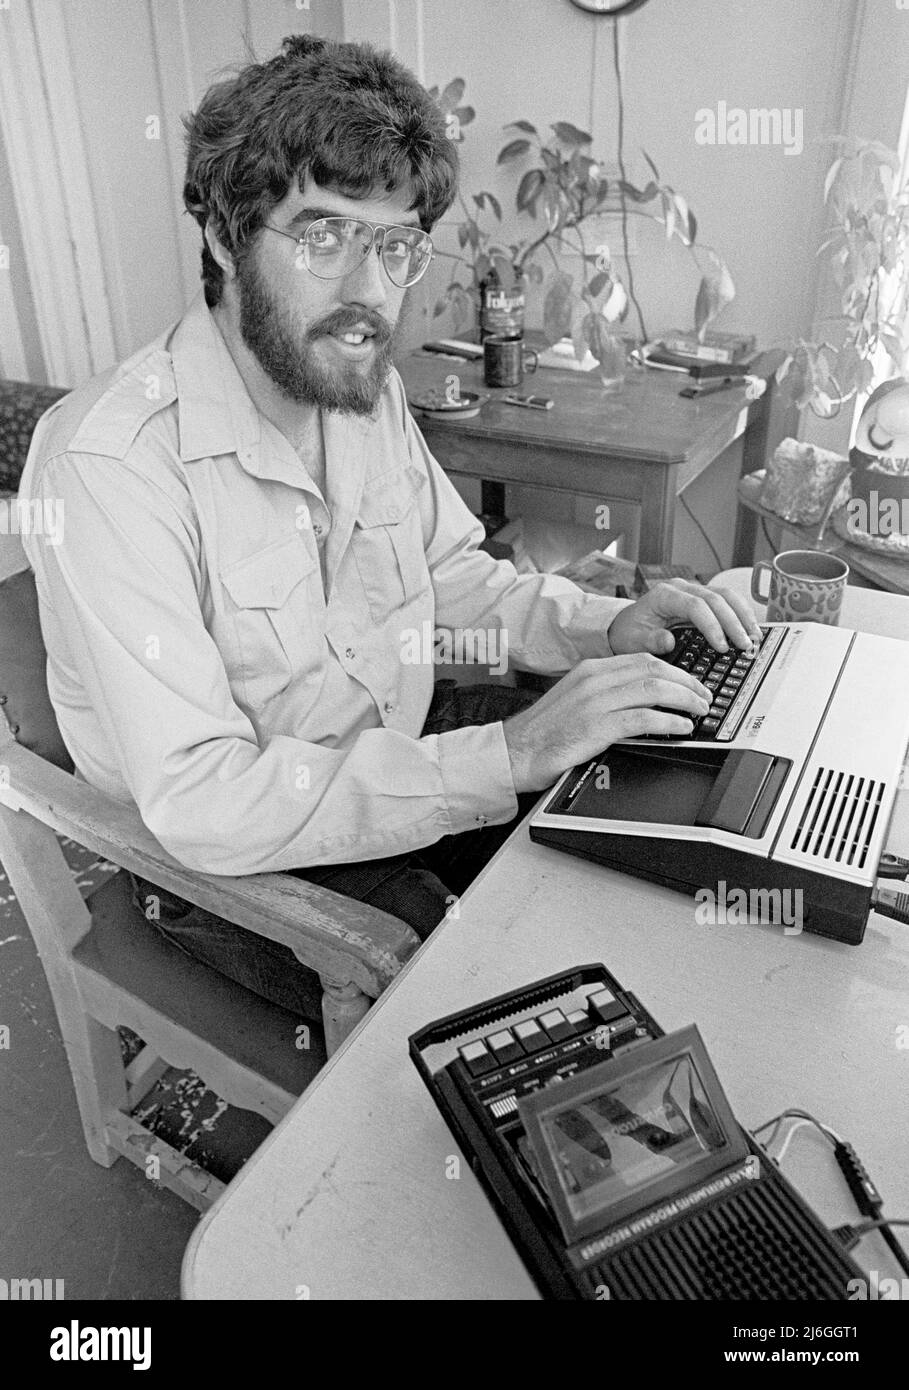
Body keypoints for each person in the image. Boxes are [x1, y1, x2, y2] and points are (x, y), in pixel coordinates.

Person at [19, 34, 760, 1022]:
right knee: (538, 1010)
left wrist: (600, 626)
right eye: (324, 237)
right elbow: (203, 803)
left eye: (397, 244)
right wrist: (509, 751)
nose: (371, 292)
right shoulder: (111, 467)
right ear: (224, 239)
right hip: (240, 870)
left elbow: (454, 577)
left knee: (653, 833)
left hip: (397, 753)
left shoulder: (357, 392)